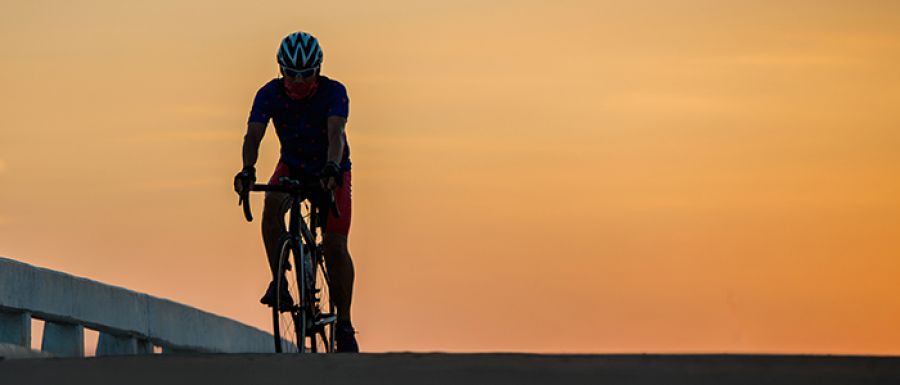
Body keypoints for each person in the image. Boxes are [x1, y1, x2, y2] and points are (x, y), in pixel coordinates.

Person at [234, 31, 358, 353]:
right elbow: (253, 137)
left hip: (331, 170)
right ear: (280, 70)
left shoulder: (334, 93)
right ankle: (280, 281)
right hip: (293, 165)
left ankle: (344, 325)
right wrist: (248, 170)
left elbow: (336, 136)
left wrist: (332, 168)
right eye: (291, 74)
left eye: (306, 74)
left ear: (318, 70)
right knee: (271, 206)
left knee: (334, 245)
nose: (299, 82)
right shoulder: (269, 94)